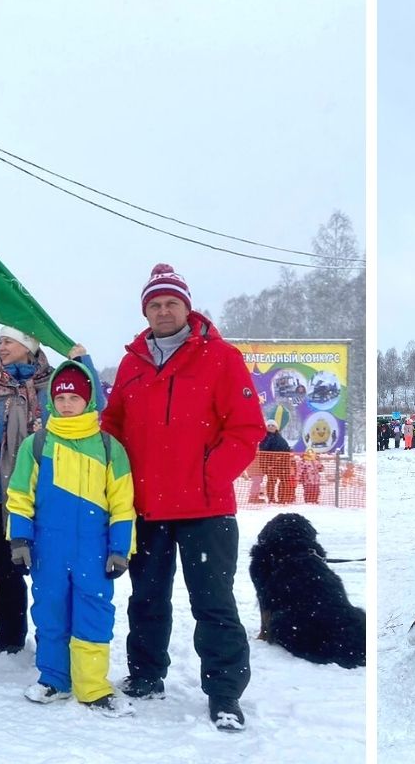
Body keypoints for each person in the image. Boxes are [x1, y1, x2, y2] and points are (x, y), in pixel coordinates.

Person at [101, 264, 259, 732]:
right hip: (145, 508)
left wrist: (210, 476)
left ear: (187, 308)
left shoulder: (221, 357)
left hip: (205, 510)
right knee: (146, 599)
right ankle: (147, 674)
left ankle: (225, 693)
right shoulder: (131, 363)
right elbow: (112, 425)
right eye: (155, 304)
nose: (164, 311)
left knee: (213, 602)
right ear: (145, 312)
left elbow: (246, 428)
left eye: (171, 303)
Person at [9, 361, 138, 717]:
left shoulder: (110, 448)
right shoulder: (36, 445)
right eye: (61, 396)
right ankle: (54, 678)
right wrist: (19, 539)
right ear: (51, 399)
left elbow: (123, 504)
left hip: (94, 552)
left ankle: (93, 686)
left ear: (89, 400)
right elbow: (20, 495)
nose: (66, 404)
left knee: (94, 613)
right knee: (49, 612)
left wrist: (120, 549)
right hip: (48, 549)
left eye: (75, 397)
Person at [0, 326, 56, 655]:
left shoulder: (53, 387)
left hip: (43, 488)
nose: (0, 347)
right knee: (6, 568)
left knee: (48, 569)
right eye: (0, 341)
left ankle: (54, 639)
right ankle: (12, 635)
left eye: (7, 341)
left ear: (27, 345)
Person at [255, 419, 295, 505]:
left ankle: (282, 498)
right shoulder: (264, 437)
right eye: (269, 425)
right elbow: (263, 451)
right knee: (271, 481)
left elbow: (286, 448)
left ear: (276, 427)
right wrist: (266, 465)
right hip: (271, 463)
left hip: (283, 463)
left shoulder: (280, 437)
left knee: (284, 481)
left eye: (273, 425)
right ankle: (271, 499)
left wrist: (288, 452)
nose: (271, 427)